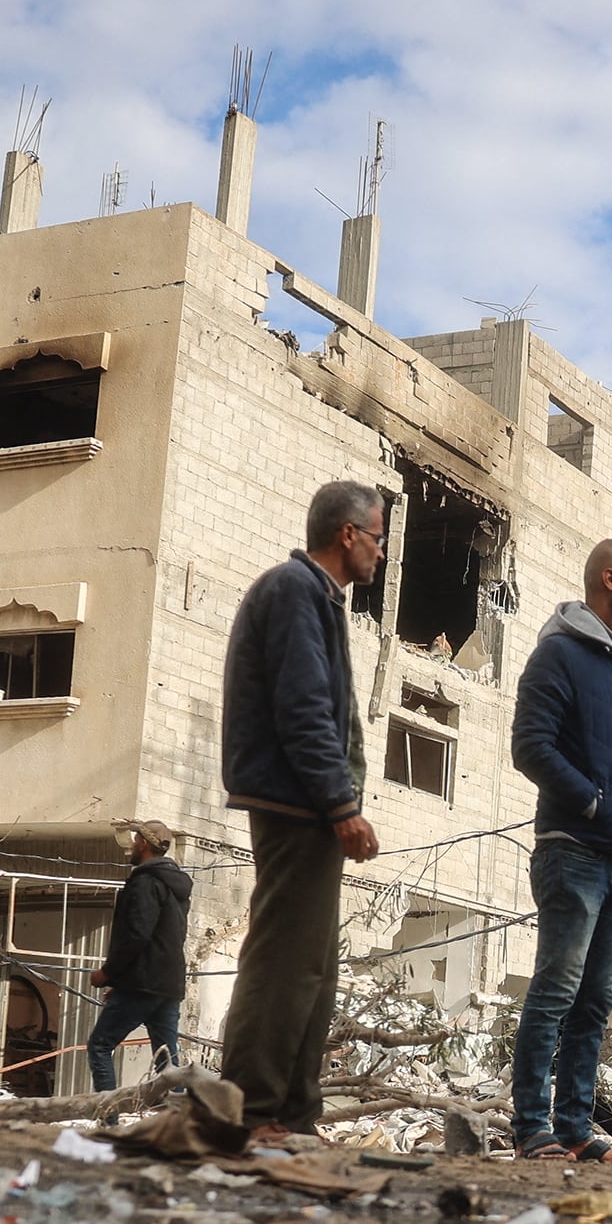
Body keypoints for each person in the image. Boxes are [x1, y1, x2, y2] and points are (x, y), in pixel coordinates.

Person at [218, 481, 386, 1143]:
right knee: (284, 960)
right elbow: (304, 709)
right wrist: (340, 803)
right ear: (347, 534)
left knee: (314, 965)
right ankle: (251, 1111)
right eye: (377, 539)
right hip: (295, 803)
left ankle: (295, 1114)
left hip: (307, 804)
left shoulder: (319, 598)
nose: (380, 554)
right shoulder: (294, 590)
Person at [509, 540, 612, 1162]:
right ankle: (530, 1129)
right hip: (572, 851)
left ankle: (573, 1126)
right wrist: (595, 803)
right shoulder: (559, 656)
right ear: (609, 578)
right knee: (557, 990)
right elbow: (530, 747)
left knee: (597, 999)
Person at [86, 821, 192, 1092]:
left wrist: (108, 974)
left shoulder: (145, 882)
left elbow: (136, 935)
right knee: (168, 1064)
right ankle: (178, 1125)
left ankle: (109, 1122)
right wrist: (121, 983)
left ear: (144, 844)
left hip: (143, 983)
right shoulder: (176, 886)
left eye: (135, 841)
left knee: (100, 1046)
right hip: (169, 985)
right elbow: (165, 938)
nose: (132, 846)